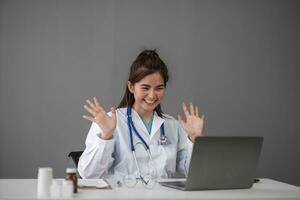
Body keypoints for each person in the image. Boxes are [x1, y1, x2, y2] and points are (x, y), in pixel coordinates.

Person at [78, 49, 204, 181]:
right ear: (131, 87)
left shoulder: (171, 125)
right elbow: (89, 175)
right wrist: (106, 135)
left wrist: (194, 140)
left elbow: (193, 174)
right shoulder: (109, 122)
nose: (152, 95)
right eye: (145, 88)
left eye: (159, 88)